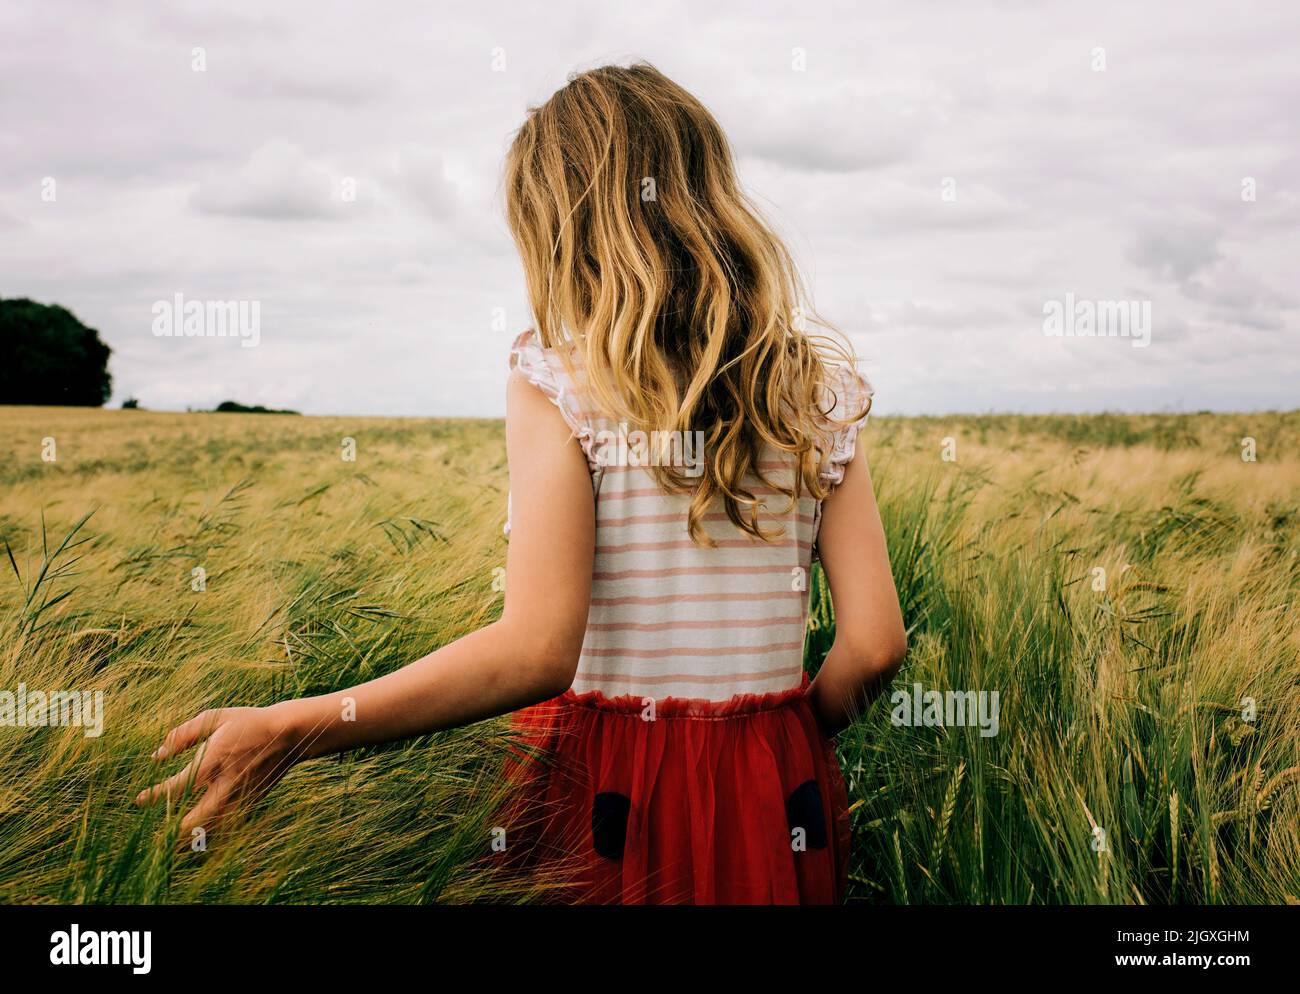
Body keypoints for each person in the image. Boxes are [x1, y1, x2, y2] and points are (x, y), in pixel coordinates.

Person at [137, 62, 907, 905]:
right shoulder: (821, 392)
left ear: (561, 226)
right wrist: (773, 741)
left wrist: (292, 726)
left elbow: (539, 649)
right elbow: (873, 647)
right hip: (775, 790)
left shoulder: (561, 383)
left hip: (611, 791)